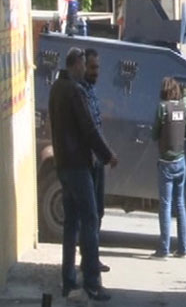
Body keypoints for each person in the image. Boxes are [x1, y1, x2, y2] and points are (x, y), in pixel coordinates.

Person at [49, 47, 117, 301]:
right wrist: (108, 155)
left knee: (71, 224)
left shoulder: (57, 88)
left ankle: (68, 281)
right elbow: (89, 129)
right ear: (77, 64)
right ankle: (91, 282)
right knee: (89, 219)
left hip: (64, 164)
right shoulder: (76, 91)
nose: (85, 70)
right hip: (78, 164)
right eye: (84, 65)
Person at [151, 77, 186, 259]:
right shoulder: (184, 108)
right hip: (181, 162)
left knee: (165, 206)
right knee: (180, 204)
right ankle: (183, 248)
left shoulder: (162, 108)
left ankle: (163, 249)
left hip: (166, 163)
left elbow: (154, 134)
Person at [80, 48, 110, 273]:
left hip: (97, 160)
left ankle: (92, 258)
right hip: (88, 161)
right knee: (89, 214)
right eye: (92, 67)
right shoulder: (80, 92)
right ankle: (88, 261)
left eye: (97, 67)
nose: (95, 72)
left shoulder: (90, 91)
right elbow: (89, 129)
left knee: (98, 211)